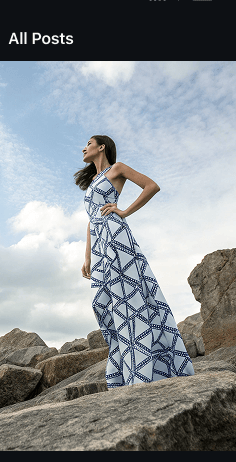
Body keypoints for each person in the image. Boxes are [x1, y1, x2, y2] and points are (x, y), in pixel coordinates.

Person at [75, 135, 194, 387]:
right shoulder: (93, 181)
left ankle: (144, 372)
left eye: (89, 143)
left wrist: (125, 211)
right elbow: (91, 219)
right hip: (100, 245)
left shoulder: (116, 169)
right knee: (102, 303)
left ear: (102, 147)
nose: (84, 148)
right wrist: (87, 256)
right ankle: (127, 368)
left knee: (129, 299)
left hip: (117, 239)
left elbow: (151, 185)